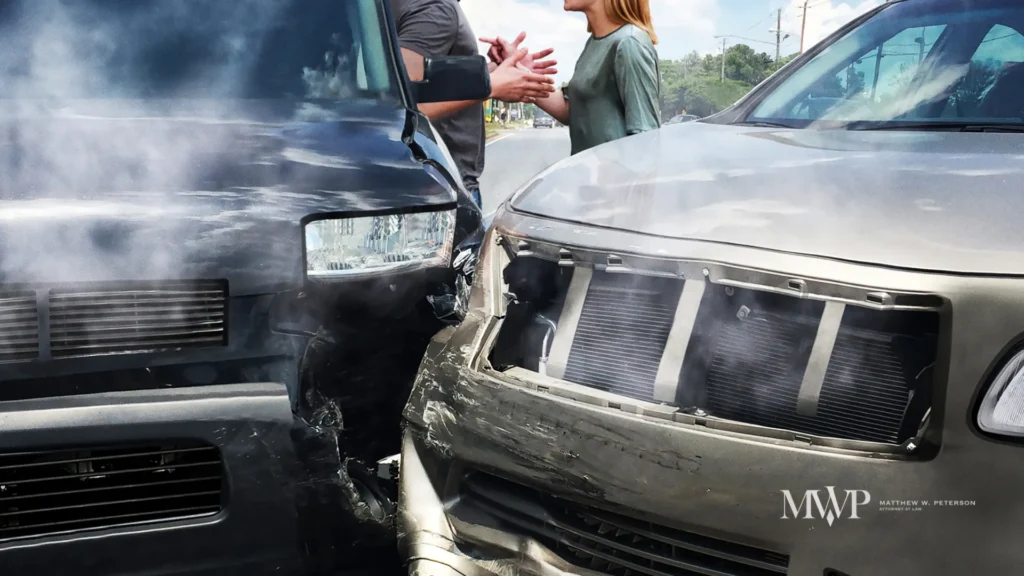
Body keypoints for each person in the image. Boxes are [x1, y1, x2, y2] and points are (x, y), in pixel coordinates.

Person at [390, 0, 557, 208]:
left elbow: (430, 78)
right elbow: (399, 103)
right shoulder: (436, 8)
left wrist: (496, 70)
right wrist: (491, 86)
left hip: (433, 183)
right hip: (440, 187)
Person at [482, 0, 661, 156]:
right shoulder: (595, 42)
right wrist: (515, 67)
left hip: (614, 191)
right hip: (588, 188)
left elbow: (646, 142)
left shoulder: (630, 44)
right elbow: (577, 111)